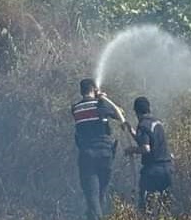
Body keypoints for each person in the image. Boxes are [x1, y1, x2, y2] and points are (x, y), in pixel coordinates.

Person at [72, 78, 127, 220]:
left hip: (87, 157)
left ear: (81, 91)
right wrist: (104, 98)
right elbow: (120, 113)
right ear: (94, 89)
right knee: (100, 193)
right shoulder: (100, 104)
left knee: (92, 195)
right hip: (105, 155)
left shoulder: (75, 108)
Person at [124, 96, 174, 213]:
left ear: (136, 111)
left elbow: (146, 148)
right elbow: (147, 140)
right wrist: (130, 130)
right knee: (166, 206)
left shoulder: (143, 124)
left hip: (153, 171)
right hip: (167, 169)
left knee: (146, 206)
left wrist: (131, 150)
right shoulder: (157, 122)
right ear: (149, 108)